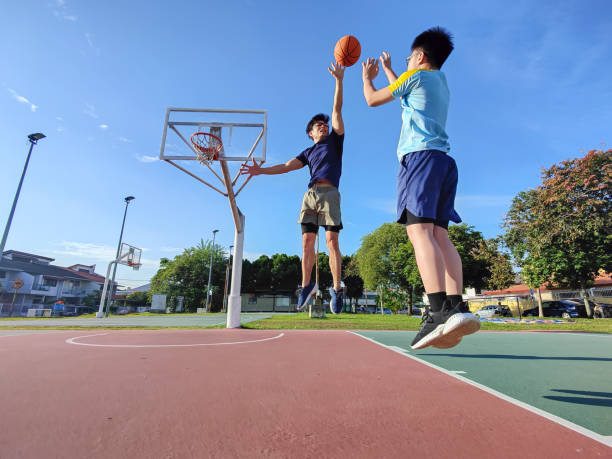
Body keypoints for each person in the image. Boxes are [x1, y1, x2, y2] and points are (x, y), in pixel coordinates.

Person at [361, 26, 480, 349]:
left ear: (419, 56)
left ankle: (437, 311)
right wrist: (389, 70)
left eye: (408, 58)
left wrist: (367, 77)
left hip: (420, 160)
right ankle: (456, 307)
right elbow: (405, 91)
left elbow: (373, 100)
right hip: (443, 162)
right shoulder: (439, 82)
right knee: (440, 235)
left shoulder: (414, 78)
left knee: (419, 233)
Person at [240, 63, 346, 314]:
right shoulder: (308, 152)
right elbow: (287, 166)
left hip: (330, 194)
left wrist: (338, 81)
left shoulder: (336, 141)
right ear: (310, 133)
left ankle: (337, 288)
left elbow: (337, 109)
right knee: (307, 243)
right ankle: (307, 285)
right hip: (310, 196)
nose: (323, 125)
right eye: (318, 124)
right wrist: (259, 171)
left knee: (331, 241)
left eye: (324, 123)